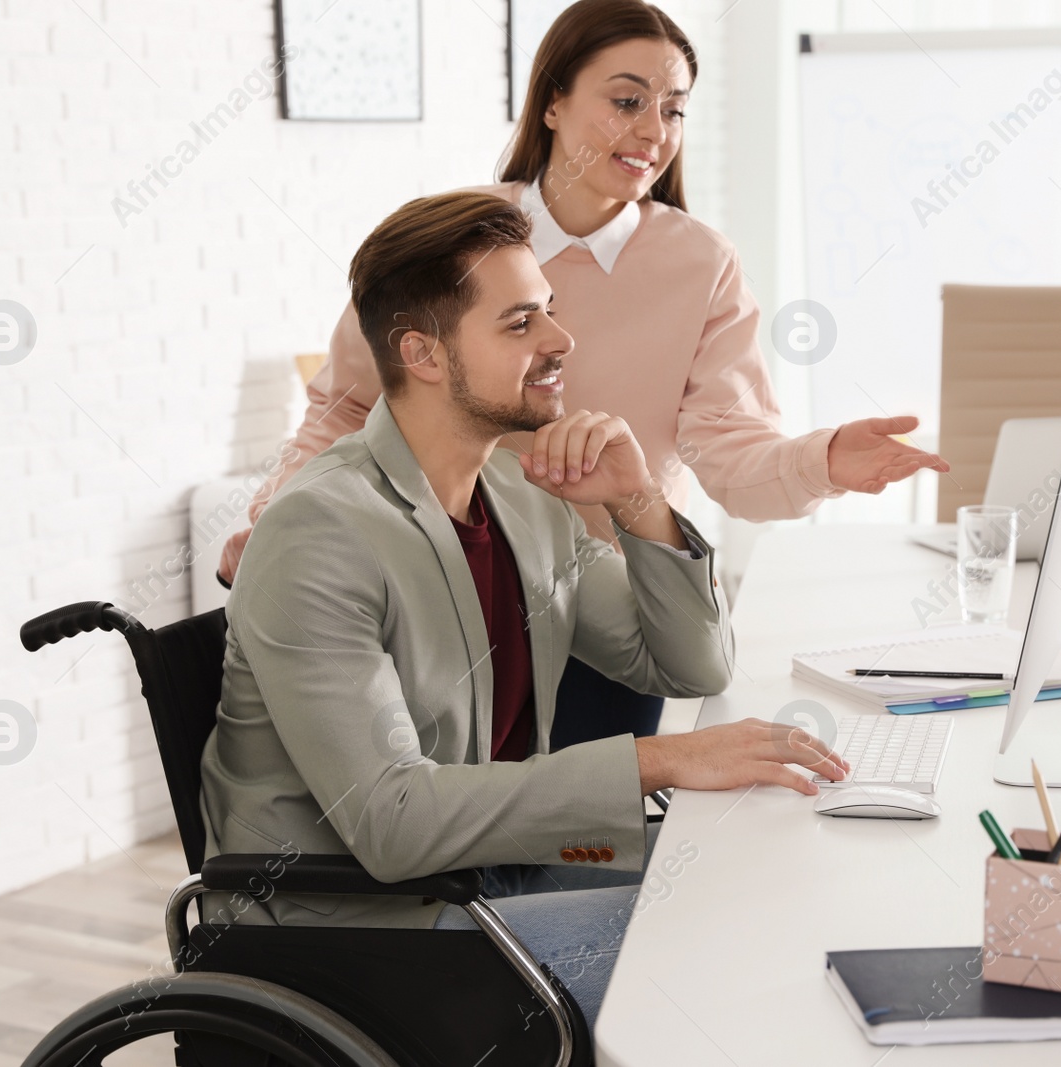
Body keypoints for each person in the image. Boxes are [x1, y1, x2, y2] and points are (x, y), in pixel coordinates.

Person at [198, 191, 848, 1029]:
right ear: (422, 353)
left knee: (756, 871)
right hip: (355, 933)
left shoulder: (516, 492)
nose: (561, 340)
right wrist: (659, 761)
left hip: (490, 876)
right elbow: (393, 824)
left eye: (549, 311)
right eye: (519, 324)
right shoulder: (319, 532)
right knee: (719, 950)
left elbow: (691, 664)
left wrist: (639, 500)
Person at [218, 0, 948, 745]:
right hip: (451, 600)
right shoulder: (455, 244)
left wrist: (821, 460)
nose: (654, 131)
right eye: (627, 100)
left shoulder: (701, 264)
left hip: (614, 615)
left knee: (589, 848)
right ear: (554, 102)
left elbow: (729, 448)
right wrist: (275, 517)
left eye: (674, 109)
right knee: (458, 829)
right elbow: (344, 411)